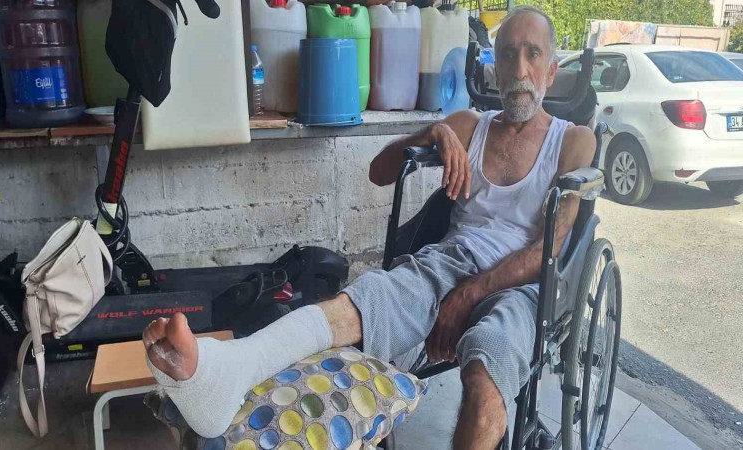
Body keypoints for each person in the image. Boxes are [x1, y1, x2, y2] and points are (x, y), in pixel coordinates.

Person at [142, 6, 596, 449]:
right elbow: (380, 172)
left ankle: (231, 369)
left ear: (551, 70)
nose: (520, 69)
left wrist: (470, 294)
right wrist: (430, 133)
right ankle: (233, 368)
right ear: (494, 68)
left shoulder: (573, 140)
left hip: (523, 285)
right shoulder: (468, 126)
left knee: (487, 371)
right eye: (508, 54)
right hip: (450, 261)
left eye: (533, 54)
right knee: (364, 300)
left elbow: (550, 246)